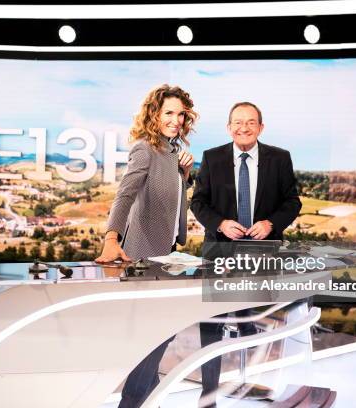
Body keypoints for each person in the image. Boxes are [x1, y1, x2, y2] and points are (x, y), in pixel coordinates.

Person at [190, 101, 302, 407]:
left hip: (262, 251)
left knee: (253, 320)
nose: (243, 128)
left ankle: (254, 382)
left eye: (250, 122)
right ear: (229, 128)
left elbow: (293, 202)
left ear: (261, 127)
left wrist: (271, 223)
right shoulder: (212, 158)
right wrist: (221, 223)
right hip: (219, 251)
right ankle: (208, 393)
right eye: (237, 123)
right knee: (211, 323)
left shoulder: (279, 159)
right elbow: (198, 203)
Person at [96, 84, 198, 407]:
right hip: (141, 256)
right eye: (169, 113)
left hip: (166, 256)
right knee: (153, 337)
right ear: (154, 114)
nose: (175, 120)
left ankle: (143, 399)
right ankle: (131, 403)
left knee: (159, 336)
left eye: (181, 115)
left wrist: (185, 173)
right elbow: (125, 195)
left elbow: (174, 198)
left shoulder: (173, 152)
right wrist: (111, 238)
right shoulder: (144, 148)